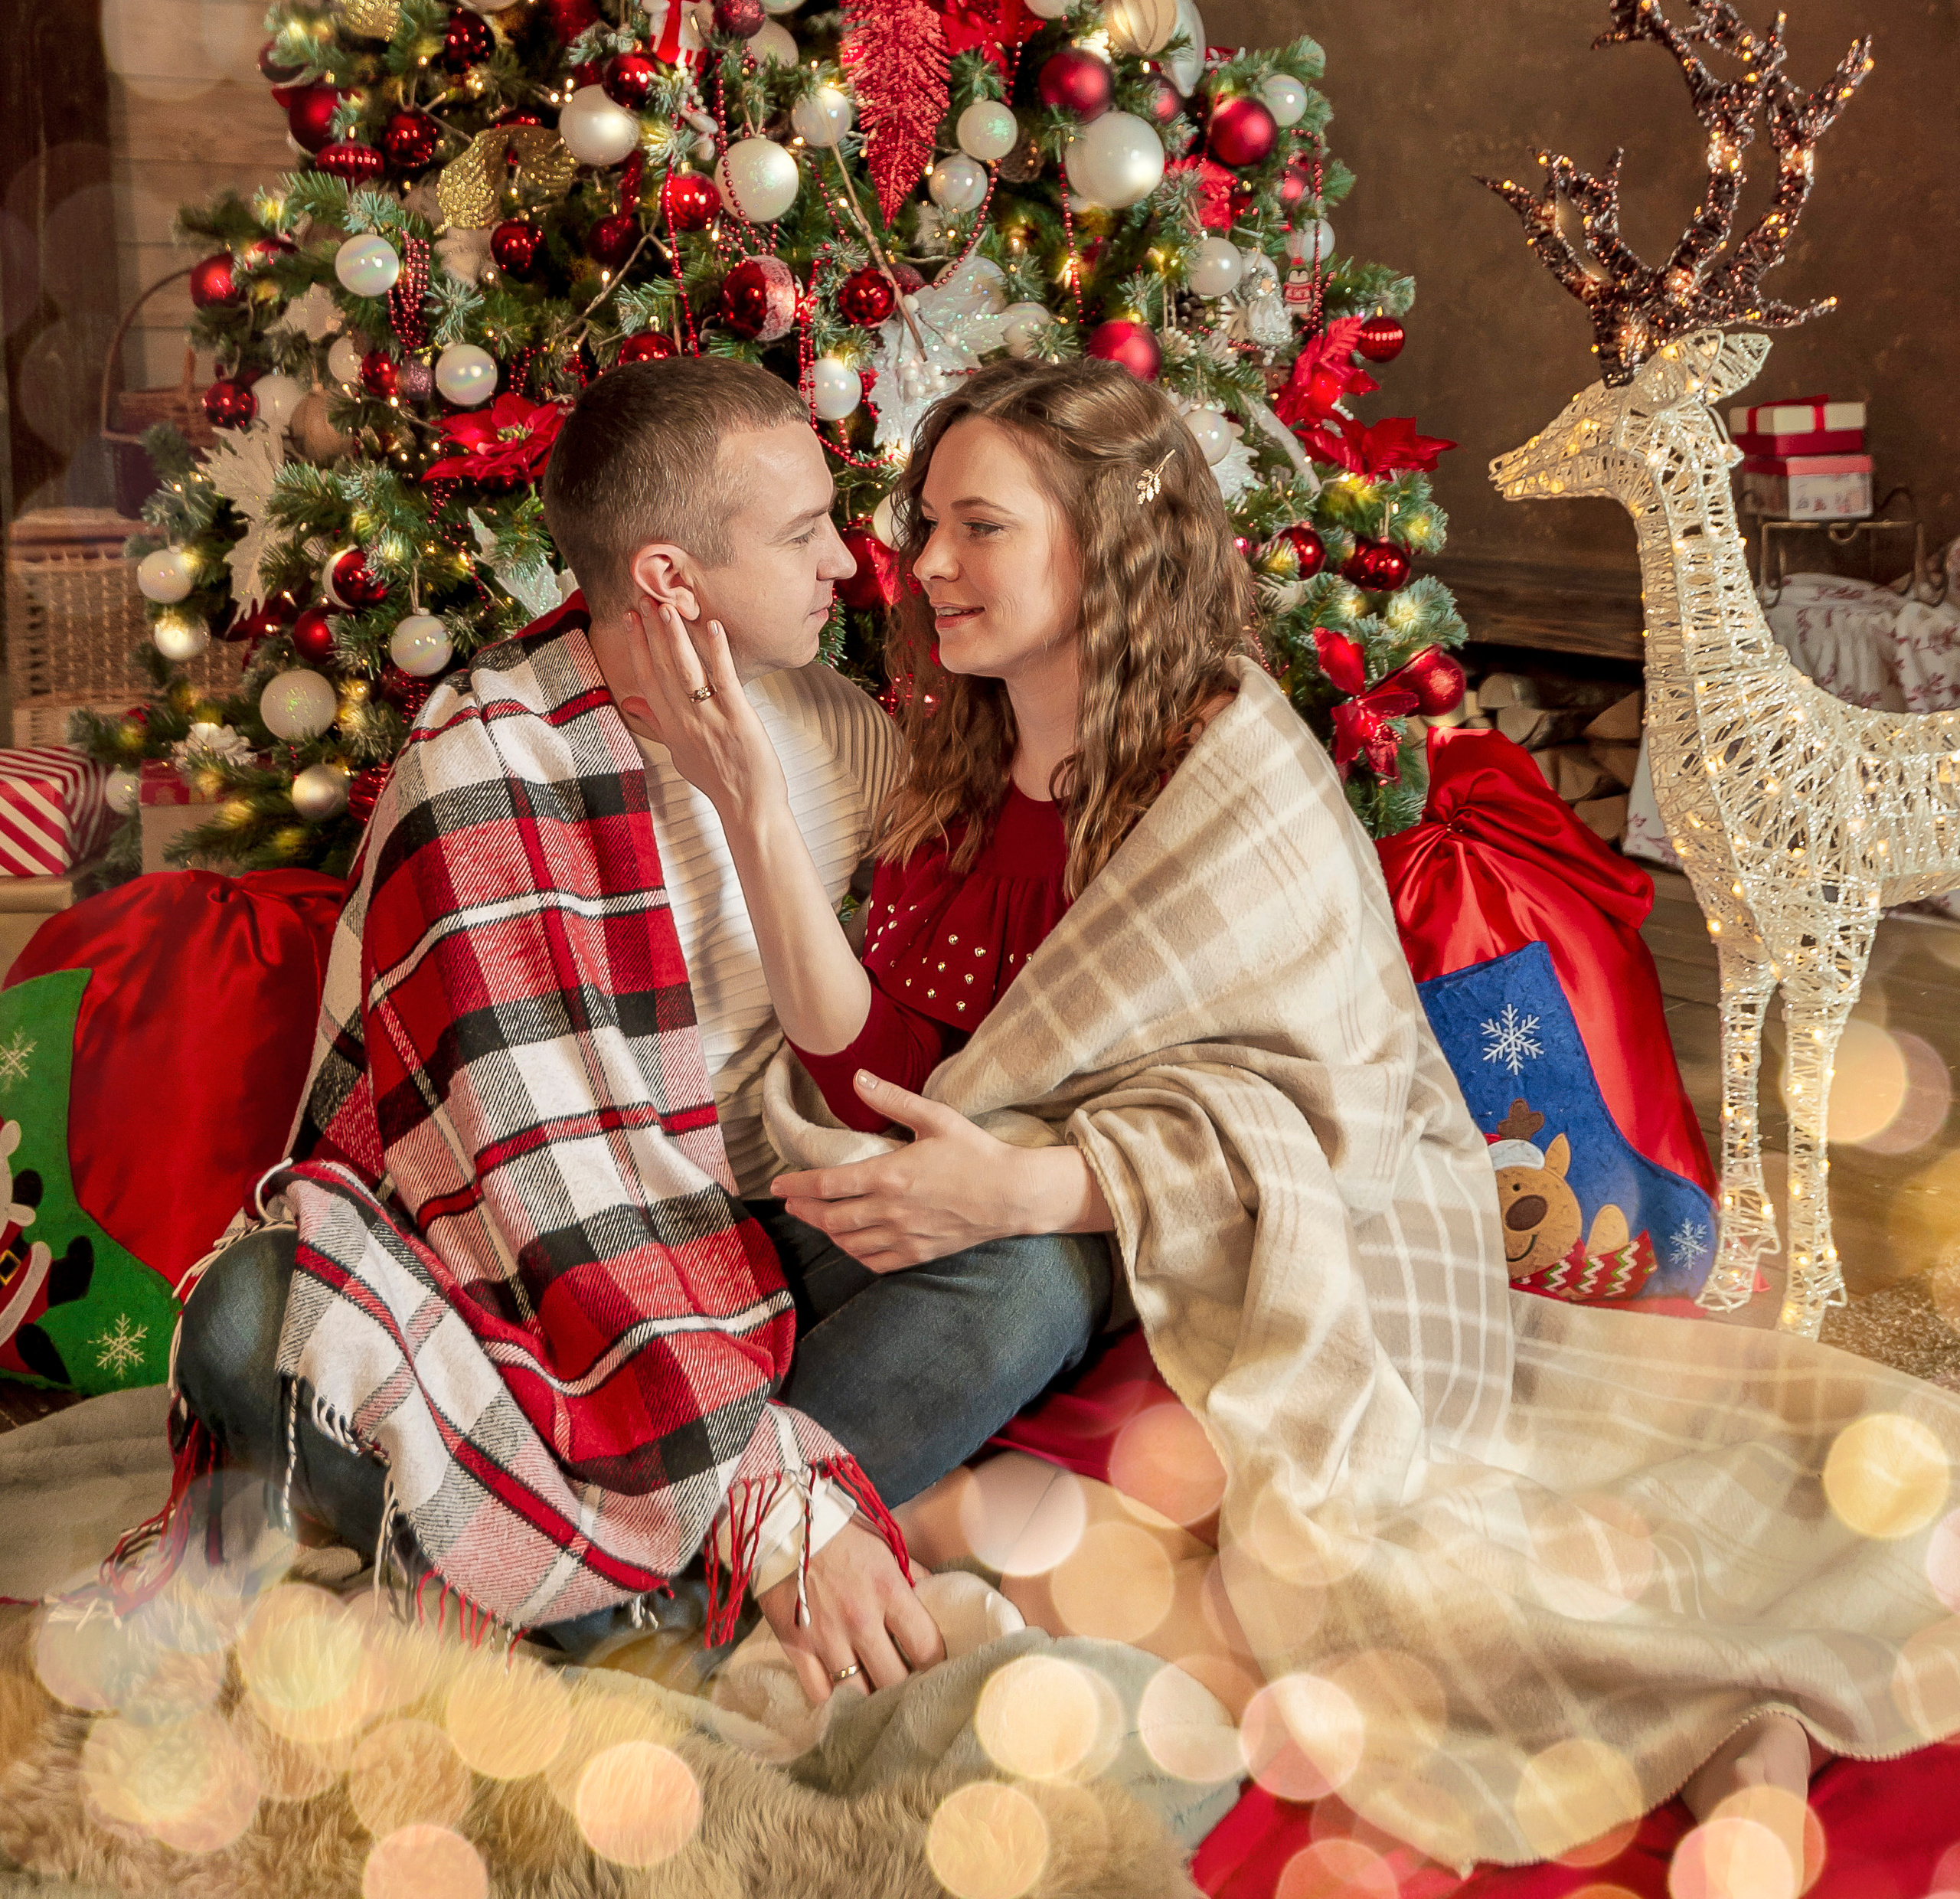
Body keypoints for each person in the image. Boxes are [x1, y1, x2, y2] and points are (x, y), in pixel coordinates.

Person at [624, 355, 1960, 1873]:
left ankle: (1726, 1716)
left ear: (1103, 539)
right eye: (922, 522)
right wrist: (745, 809)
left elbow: (1328, 1114)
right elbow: (886, 1077)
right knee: (998, 1530)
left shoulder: (1224, 768)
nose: (921, 564)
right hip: (1071, 1264)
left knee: (1301, 1555)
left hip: (1270, 1267)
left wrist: (1034, 1191)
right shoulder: (967, 752)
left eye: (975, 526)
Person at [172, 357, 1110, 1701]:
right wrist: (773, 1479)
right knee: (250, 1316)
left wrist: (758, 816)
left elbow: (888, 1064)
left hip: (763, 1235)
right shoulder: (480, 772)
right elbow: (524, 1184)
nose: (852, 565)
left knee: (1041, 1274)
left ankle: (616, 1590)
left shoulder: (838, 735)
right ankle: (741, 1558)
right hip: (510, 1267)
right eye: (801, 536)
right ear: (670, 578)